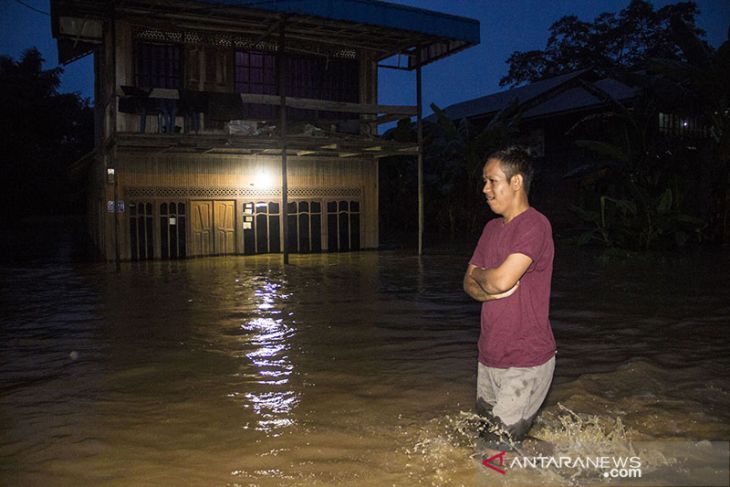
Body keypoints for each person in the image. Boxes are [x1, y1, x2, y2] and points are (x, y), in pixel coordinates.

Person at [463, 146, 556, 451]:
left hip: (526, 361)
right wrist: (482, 280)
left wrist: (485, 278)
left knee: (492, 452)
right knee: (489, 440)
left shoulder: (535, 225)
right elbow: (468, 283)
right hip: (489, 357)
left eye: (492, 181)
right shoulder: (491, 229)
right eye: (485, 181)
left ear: (516, 182)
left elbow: (503, 280)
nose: (484, 189)